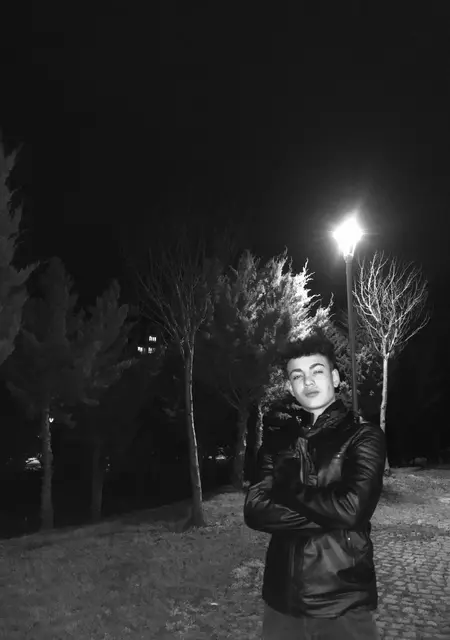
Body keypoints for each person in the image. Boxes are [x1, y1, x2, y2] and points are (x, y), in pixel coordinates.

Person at [244, 330, 386, 640]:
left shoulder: (363, 436)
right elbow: (255, 510)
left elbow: (352, 510)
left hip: (342, 601)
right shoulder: (278, 441)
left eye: (317, 371)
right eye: (297, 376)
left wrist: (287, 490)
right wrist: (332, 511)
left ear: (335, 377)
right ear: (290, 386)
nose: (307, 382)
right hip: (282, 602)